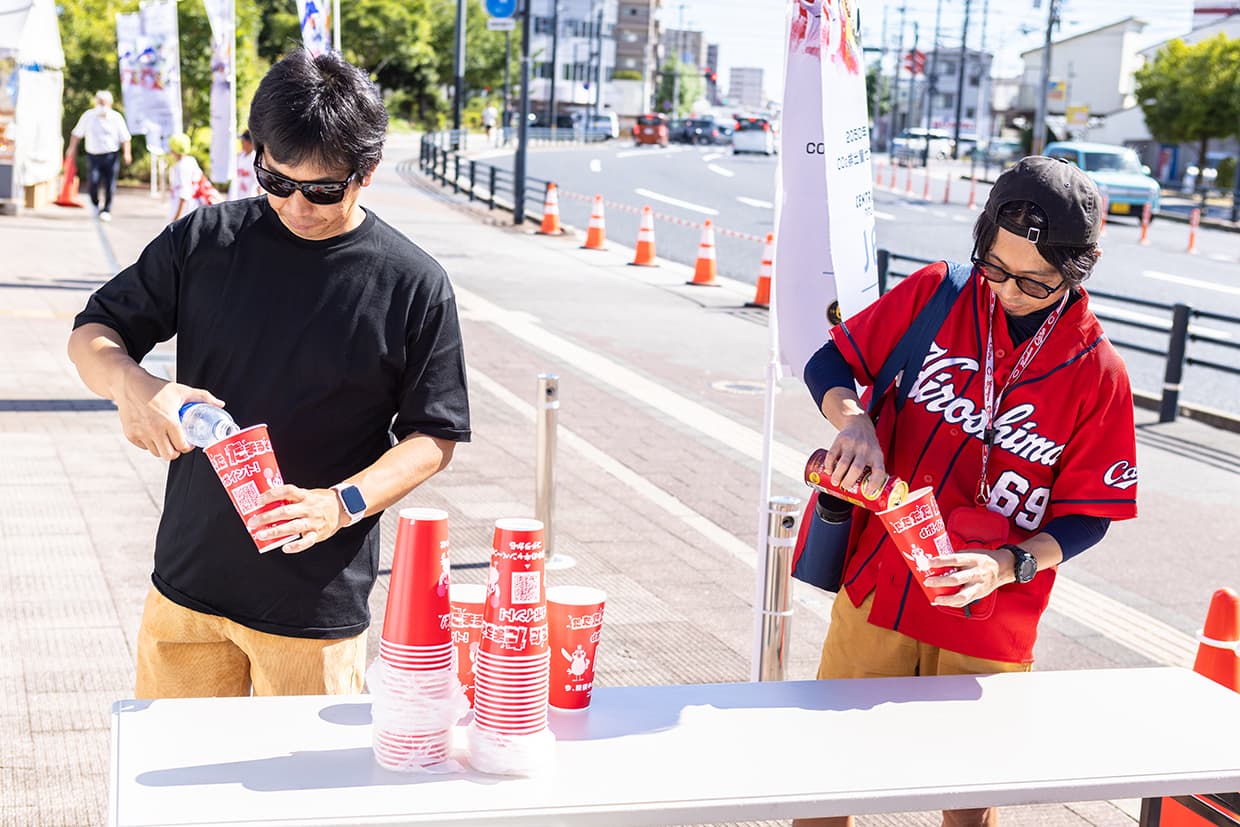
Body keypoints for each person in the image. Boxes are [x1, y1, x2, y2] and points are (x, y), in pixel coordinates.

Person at [66, 48, 471, 700]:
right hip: (186, 586)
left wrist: (341, 503)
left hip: (313, 608)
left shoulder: (412, 283)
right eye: (276, 181)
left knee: (305, 801)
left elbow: (434, 436)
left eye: (322, 190)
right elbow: (92, 335)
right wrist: (133, 388)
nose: (296, 206)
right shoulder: (206, 242)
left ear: (366, 172)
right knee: (174, 794)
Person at [794, 156, 1138, 827]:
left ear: (1079, 268)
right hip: (879, 586)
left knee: (969, 801)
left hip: (990, 612)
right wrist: (853, 418)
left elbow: (1090, 515)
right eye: (996, 268)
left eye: (1036, 281)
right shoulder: (937, 294)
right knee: (829, 777)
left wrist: (1009, 564)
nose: (1009, 290)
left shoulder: (1099, 372)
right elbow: (830, 360)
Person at [65, 90, 133, 222]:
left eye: (104, 103)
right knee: (93, 182)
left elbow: (125, 138)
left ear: (110, 104)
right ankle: (95, 204)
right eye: (99, 103)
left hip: (111, 155)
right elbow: (77, 134)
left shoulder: (116, 117)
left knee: (109, 183)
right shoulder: (88, 116)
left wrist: (127, 153)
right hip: (93, 155)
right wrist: (71, 149)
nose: (101, 106)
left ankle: (107, 209)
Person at [165, 132, 203, 222]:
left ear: (174, 149)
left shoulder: (181, 167)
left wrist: (176, 221)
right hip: (194, 210)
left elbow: (184, 195)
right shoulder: (191, 160)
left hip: (185, 214)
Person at [228, 130, 262, 200]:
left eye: (244, 141)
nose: (241, 143)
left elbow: (259, 184)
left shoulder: (255, 159)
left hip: (249, 199)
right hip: (235, 197)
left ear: (251, 143)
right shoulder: (239, 157)